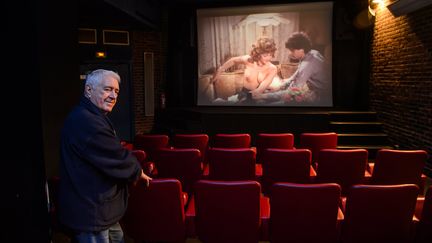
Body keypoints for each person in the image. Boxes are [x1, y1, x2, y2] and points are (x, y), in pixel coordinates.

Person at [58, 69, 152, 243]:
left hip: (102, 210)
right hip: (91, 213)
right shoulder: (85, 120)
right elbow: (115, 155)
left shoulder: (91, 116)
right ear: (88, 90)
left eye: (116, 91)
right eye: (107, 89)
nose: (113, 96)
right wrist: (137, 172)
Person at [253, 32, 330, 104]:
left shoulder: (307, 65)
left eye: (292, 51)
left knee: (272, 104)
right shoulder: (313, 52)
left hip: (321, 96)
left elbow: (293, 91)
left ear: (301, 50)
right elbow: (295, 76)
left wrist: (265, 96)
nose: (290, 53)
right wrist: (281, 85)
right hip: (315, 90)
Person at [212, 37, 279, 104]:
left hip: (257, 97)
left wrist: (245, 99)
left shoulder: (272, 69)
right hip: (242, 94)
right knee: (217, 103)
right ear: (258, 54)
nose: (269, 58)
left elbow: (259, 91)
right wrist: (220, 70)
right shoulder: (249, 60)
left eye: (271, 55)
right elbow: (233, 60)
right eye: (265, 55)